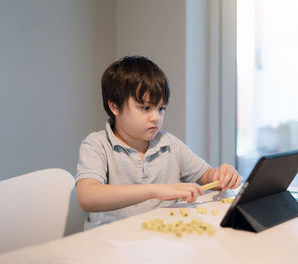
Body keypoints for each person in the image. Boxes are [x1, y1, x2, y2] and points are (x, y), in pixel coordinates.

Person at [76, 55, 242, 229]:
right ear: (115, 106)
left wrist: (221, 176)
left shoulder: (169, 144)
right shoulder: (97, 144)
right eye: (145, 108)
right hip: (110, 241)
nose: (156, 117)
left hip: (161, 238)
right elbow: (87, 197)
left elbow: (205, 175)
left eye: (161, 108)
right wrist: (154, 190)